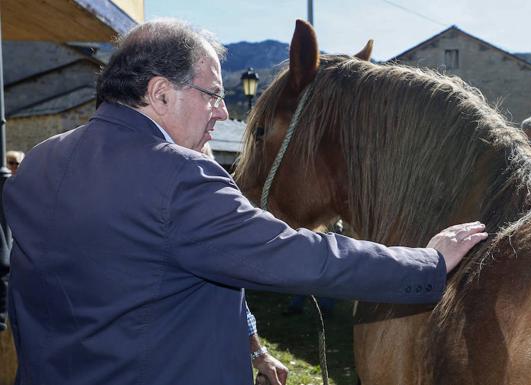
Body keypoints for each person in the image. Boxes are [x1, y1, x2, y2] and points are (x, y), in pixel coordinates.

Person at [3, 20, 487, 385]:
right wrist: (427, 262)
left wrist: (252, 344)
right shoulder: (179, 177)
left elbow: (161, 276)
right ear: (160, 94)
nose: (223, 110)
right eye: (213, 94)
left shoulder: (40, 162)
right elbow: (300, 255)